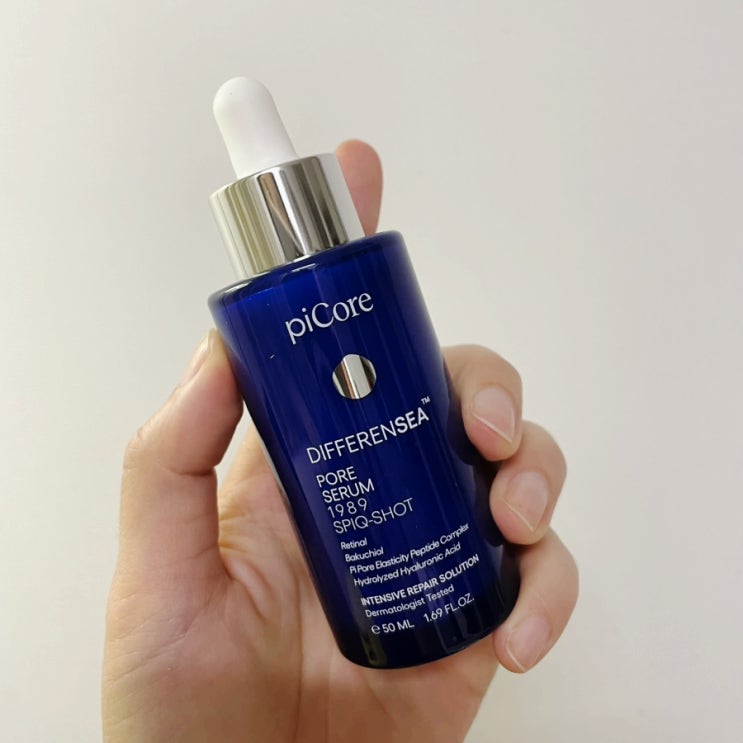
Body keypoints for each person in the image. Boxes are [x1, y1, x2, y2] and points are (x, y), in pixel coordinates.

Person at [102, 140, 579, 742]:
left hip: (445, 587)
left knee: (431, 418)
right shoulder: (254, 307)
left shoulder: (365, 266)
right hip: (346, 624)